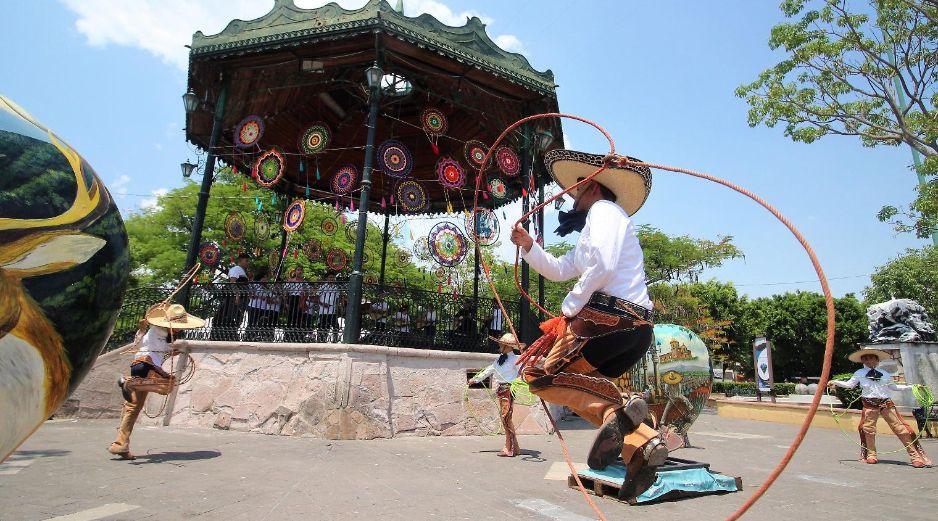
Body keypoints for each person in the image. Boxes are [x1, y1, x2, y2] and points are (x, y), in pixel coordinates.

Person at [510, 150, 661, 497]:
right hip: (630, 329)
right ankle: (643, 442)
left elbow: (604, 267)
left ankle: (623, 416)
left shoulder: (604, 211)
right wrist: (530, 247)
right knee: (580, 386)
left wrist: (569, 310)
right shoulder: (600, 223)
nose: (573, 194)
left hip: (610, 322)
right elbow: (562, 269)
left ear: (591, 186)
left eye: (578, 187)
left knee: (539, 374)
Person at [110, 304, 205, 460]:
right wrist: (142, 330)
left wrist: (170, 350)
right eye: (176, 326)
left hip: (141, 366)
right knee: (167, 385)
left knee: (133, 407)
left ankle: (121, 444)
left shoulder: (159, 334)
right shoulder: (156, 331)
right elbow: (142, 344)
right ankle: (128, 382)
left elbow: (155, 347)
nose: (178, 329)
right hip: (146, 365)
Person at [828, 347, 932, 467]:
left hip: (886, 404)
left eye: (871, 358)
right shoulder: (859, 373)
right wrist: (835, 382)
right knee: (868, 430)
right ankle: (871, 455)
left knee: (901, 429)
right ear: (862, 361)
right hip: (869, 405)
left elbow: (894, 387)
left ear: (877, 360)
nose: (869, 361)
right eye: (865, 359)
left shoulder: (885, 374)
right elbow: (849, 385)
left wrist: (913, 387)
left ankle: (915, 456)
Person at [469, 333, 525, 457]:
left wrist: (516, 384)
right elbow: (490, 369)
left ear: (508, 346)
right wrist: (476, 379)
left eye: (502, 344)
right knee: (506, 417)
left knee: (505, 417)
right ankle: (515, 447)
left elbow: (523, 374)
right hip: (501, 389)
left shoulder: (516, 359)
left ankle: (508, 447)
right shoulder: (499, 358)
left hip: (509, 389)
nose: (500, 345)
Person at [212, 253, 250, 340]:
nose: (248, 263)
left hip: (241, 299)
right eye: (246, 261)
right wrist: (237, 296)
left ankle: (231, 334)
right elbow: (233, 282)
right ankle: (226, 334)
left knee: (237, 317)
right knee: (230, 316)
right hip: (233, 298)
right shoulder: (236, 269)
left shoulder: (242, 271)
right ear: (240, 261)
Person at [317, 271, 341, 340]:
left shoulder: (336, 288)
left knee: (336, 326)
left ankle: (335, 339)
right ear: (327, 278)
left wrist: (338, 307)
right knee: (323, 327)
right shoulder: (323, 287)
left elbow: (337, 299)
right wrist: (323, 304)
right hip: (323, 311)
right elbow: (317, 298)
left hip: (332, 311)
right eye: (330, 277)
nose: (331, 279)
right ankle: (321, 340)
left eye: (333, 277)